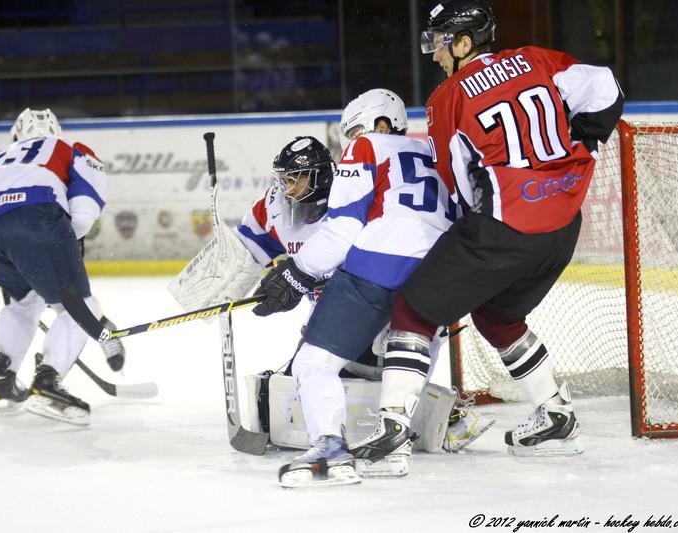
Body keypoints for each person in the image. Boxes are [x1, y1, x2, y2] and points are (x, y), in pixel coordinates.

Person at [359, 0, 624, 458]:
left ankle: (393, 427)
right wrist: (585, 140)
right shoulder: (536, 59)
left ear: (464, 43)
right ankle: (555, 414)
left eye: (440, 43)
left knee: (414, 311)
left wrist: (470, 235)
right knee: (496, 316)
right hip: (562, 226)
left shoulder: (448, 97)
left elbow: (457, 181)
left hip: (504, 226)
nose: (434, 54)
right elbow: (606, 85)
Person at [250, 88, 459, 487]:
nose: (352, 142)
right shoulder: (436, 154)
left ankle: (330, 450)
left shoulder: (366, 148)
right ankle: (392, 448)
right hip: (440, 272)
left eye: (357, 131)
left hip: (378, 267)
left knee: (313, 362)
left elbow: (342, 229)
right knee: (409, 346)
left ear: (382, 123)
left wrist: (296, 272)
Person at [0, 108, 108, 425]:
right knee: (82, 307)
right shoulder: (69, 147)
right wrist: (63, 244)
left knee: (23, 303)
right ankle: (48, 383)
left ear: (16, 135)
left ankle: (3, 383)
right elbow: (84, 210)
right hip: (34, 216)